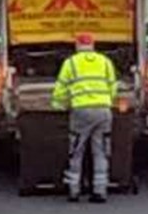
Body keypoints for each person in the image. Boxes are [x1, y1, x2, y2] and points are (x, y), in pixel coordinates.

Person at [51, 32, 119, 203]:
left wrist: (59, 105)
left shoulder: (71, 63)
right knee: (101, 151)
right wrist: (107, 101)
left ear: (77, 45)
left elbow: (61, 87)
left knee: (76, 150)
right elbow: (113, 86)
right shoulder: (105, 62)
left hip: (81, 111)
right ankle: (100, 191)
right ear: (93, 45)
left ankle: (74, 191)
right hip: (104, 111)